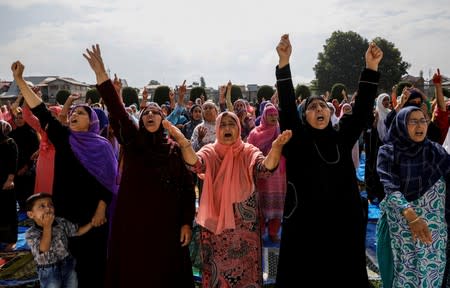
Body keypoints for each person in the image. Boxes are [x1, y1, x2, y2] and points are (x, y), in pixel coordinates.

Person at [274, 34, 383, 287]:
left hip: (341, 228)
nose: (319, 110)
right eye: (312, 108)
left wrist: (371, 67)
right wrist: (284, 63)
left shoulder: (341, 138)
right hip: (306, 231)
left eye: (322, 106)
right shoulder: (296, 140)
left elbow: (363, 111)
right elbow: (288, 109)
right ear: (305, 116)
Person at [83, 44, 196, 288]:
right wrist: (101, 75)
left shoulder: (173, 151)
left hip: (166, 226)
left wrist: (186, 222)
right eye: (146, 114)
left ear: (162, 119)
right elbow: (117, 109)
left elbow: (187, 189)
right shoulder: (133, 143)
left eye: (156, 113)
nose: (151, 116)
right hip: (134, 224)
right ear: (141, 121)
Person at [11, 61, 118, 288]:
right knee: (69, 270)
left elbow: (109, 182)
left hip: (94, 218)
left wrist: (101, 208)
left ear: (92, 121)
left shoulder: (102, 147)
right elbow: (41, 111)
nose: (74, 115)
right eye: (72, 112)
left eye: (81, 113)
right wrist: (20, 81)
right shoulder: (65, 138)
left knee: (93, 268)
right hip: (66, 216)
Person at [164, 109, 292, 287]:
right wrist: (184, 144)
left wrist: (276, 148)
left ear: (239, 128)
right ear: (217, 130)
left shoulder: (248, 151)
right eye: (222, 125)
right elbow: (196, 163)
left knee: (247, 274)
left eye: (232, 124)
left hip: (245, 229)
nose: (227, 128)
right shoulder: (210, 151)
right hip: (215, 230)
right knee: (217, 275)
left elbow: (264, 168)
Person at [376, 106, 450, 288]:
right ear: (401, 124)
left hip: (434, 232)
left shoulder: (437, 151)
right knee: (405, 275)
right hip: (404, 229)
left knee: (431, 275)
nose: (420, 125)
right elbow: (391, 188)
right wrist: (412, 217)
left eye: (423, 120)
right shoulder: (388, 152)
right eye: (413, 121)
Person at [25, 193, 94, 288]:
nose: (48, 208)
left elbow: (77, 231)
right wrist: (47, 226)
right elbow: (44, 248)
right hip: (49, 271)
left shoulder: (60, 222)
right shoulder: (31, 233)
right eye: (42, 206)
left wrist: (92, 223)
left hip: (68, 264)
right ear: (31, 214)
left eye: (51, 205)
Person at [247, 103, 286, 243]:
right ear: (264, 116)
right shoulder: (255, 133)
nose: (274, 117)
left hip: (278, 175)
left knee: (277, 204)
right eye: (270, 115)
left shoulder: (280, 131)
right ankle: (260, 231)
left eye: (276, 115)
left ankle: (274, 232)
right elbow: (249, 150)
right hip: (262, 176)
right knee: (261, 205)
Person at [0, 120, 18, 251]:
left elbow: (13, 162)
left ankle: (11, 240)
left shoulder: (10, 142)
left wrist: (10, 179)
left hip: (6, 181)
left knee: (9, 211)